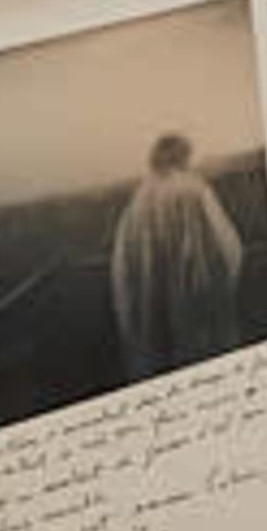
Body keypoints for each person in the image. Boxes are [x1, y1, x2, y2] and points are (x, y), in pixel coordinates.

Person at [109, 128, 248, 377]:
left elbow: (124, 265)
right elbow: (226, 247)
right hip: (192, 299)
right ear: (181, 156)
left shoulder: (139, 198)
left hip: (153, 305)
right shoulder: (193, 190)